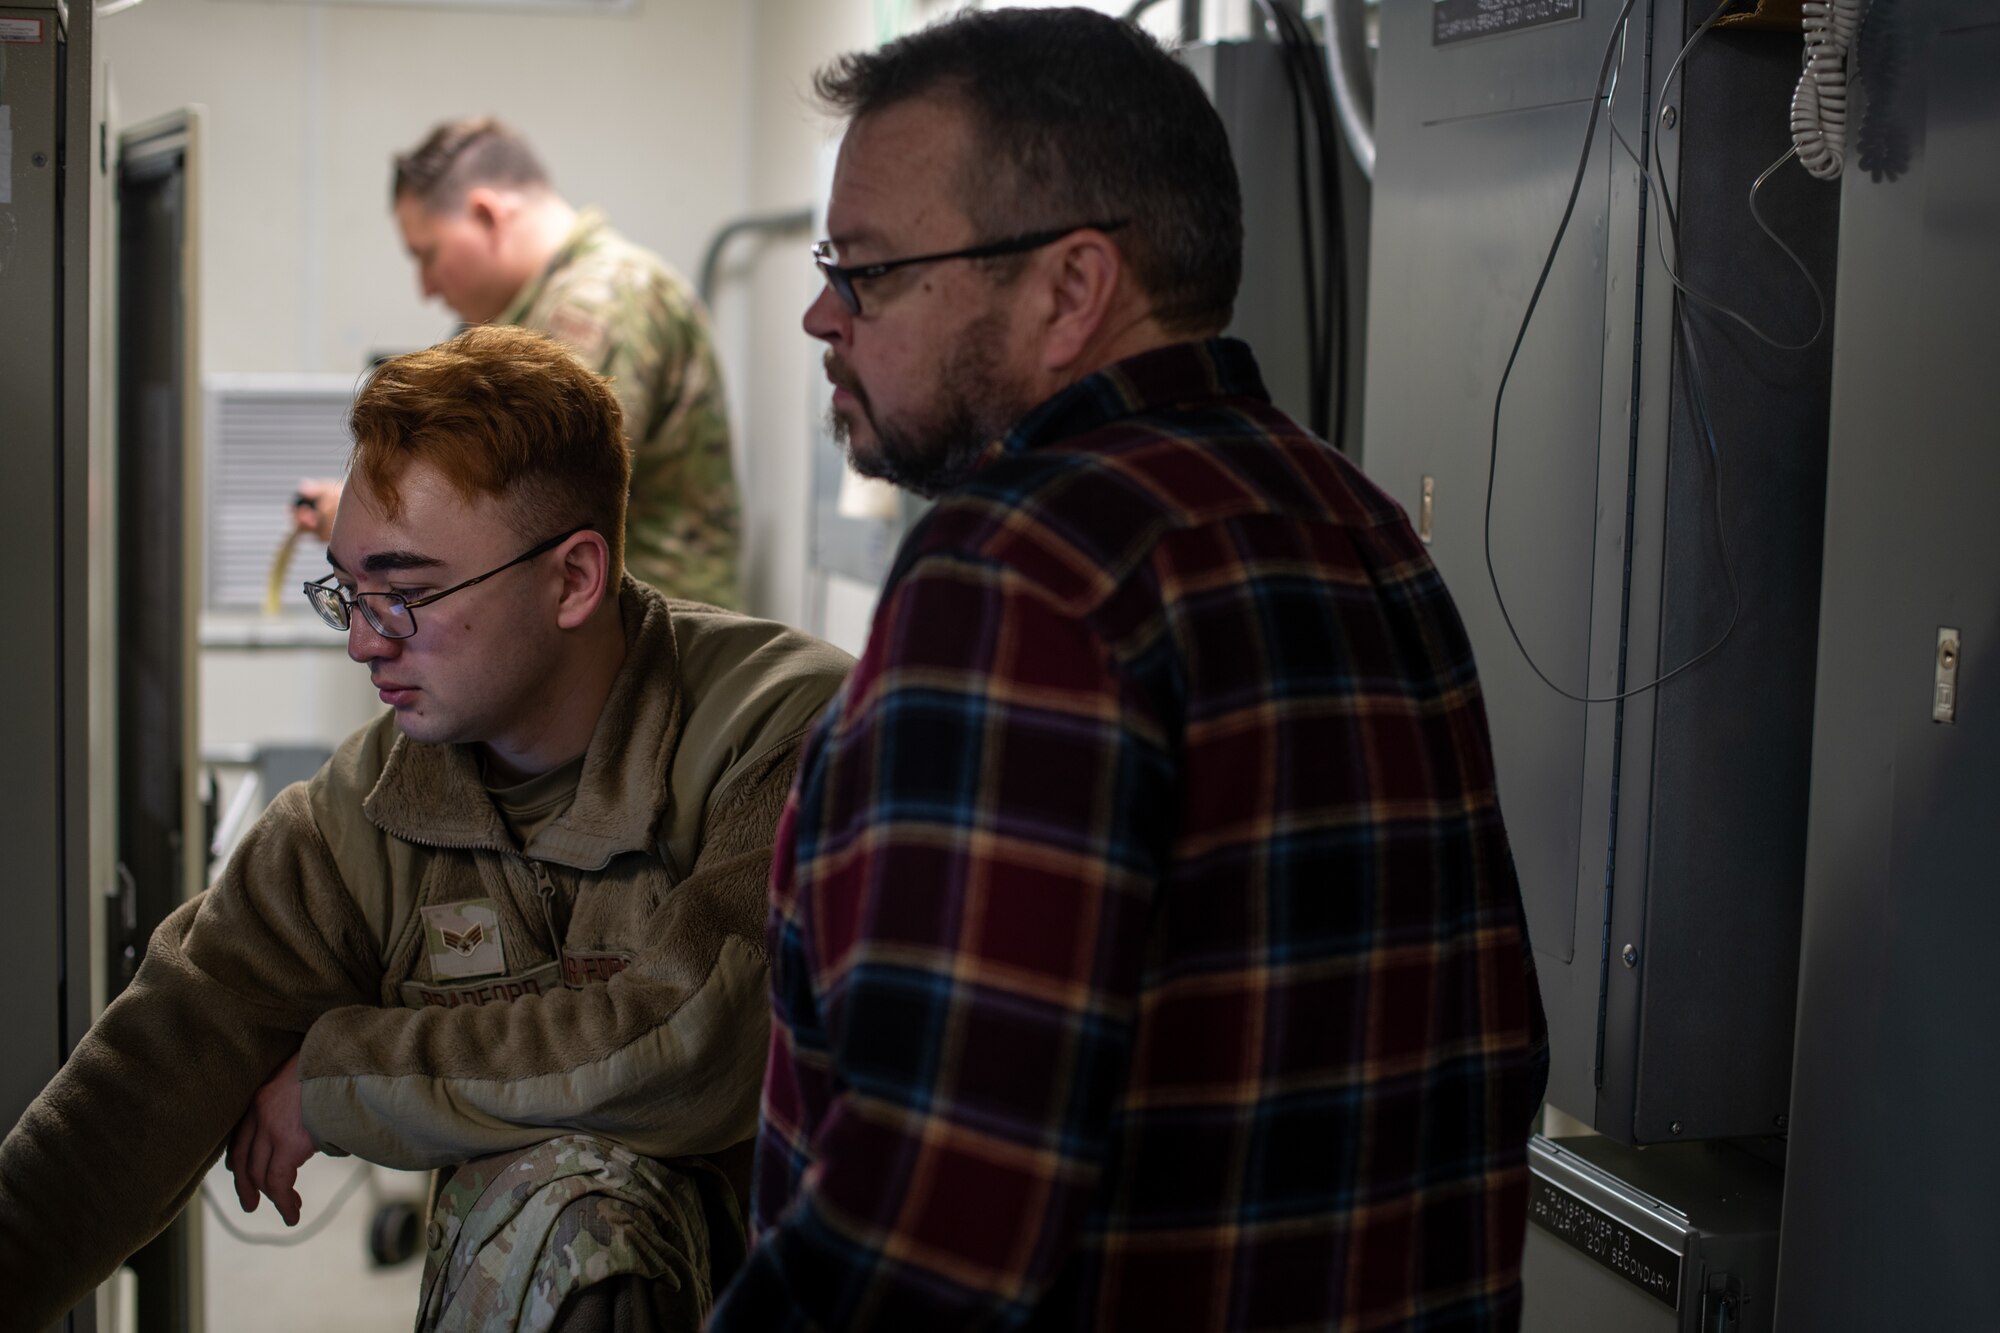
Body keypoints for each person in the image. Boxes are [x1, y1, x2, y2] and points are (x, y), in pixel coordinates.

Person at [708, 9, 1550, 1332]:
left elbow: (930, 1227)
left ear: (1070, 288)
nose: (823, 313)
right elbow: (1469, 1072)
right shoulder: (1363, 531)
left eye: (865, 270)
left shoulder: (1017, 579)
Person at [0, 325, 851, 1331]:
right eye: (349, 591)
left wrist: (338, 1077)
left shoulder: (782, 729)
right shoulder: (360, 818)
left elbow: (697, 1036)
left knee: (580, 1193)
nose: (363, 640)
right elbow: (149, 1073)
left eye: (404, 594)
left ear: (575, 578)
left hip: (799, 1283)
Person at [296, 117, 741, 608]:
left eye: (428, 254)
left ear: (486, 215)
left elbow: (525, 495)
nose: (426, 287)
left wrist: (368, 513)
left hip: (654, 644)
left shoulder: (602, 302)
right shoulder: (544, 308)